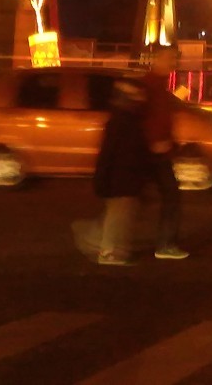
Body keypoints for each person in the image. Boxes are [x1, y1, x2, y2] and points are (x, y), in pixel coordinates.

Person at [87, 79, 152, 266]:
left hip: (123, 177)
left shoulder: (123, 118)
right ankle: (109, 253)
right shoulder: (123, 121)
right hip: (122, 178)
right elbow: (111, 152)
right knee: (118, 216)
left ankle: (112, 250)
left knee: (119, 215)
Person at [138, 48, 188, 260]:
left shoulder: (158, 85)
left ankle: (109, 239)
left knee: (133, 197)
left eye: (175, 59)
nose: (173, 63)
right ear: (157, 59)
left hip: (157, 150)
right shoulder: (150, 85)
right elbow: (148, 118)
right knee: (170, 195)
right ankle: (165, 244)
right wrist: (155, 142)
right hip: (154, 151)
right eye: (170, 58)